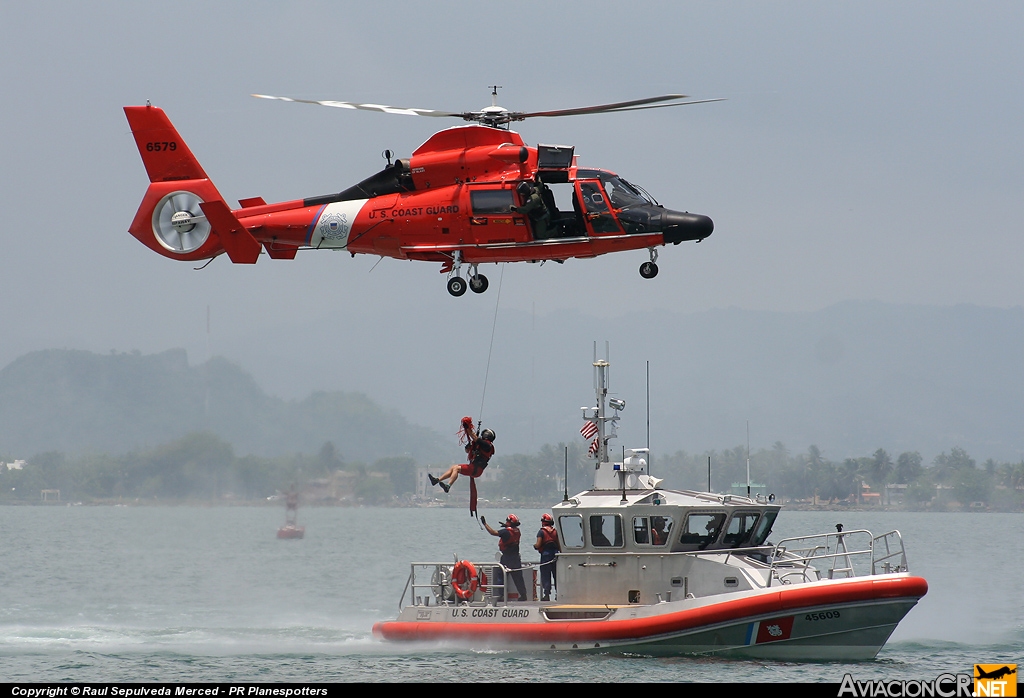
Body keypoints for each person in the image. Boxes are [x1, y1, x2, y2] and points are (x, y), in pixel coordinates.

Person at [481, 513, 528, 601]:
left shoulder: (505, 532)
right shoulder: (517, 531)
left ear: (510, 522)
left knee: (501, 575)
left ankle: (502, 595)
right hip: (516, 558)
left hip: (507, 557)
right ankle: (523, 594)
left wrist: (485, 524)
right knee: (518, 577)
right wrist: (506, 526)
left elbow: (493, 532)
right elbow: (510, 532)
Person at [534, 513, 560, 601]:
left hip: (546, 555)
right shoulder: (555, 531)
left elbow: (538, 544)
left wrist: (535, 546)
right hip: (555, 554)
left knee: (546, 575)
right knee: (556, 575)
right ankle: (558, 594)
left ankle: (547, 594)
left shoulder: (541, 532)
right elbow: (559, 544)